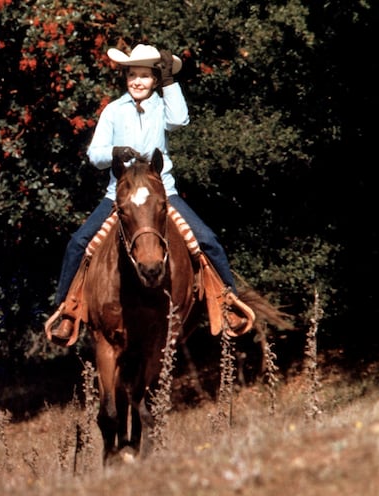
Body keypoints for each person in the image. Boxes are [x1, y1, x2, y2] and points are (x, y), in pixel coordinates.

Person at [48, 44, 252, 343]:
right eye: (132, 75)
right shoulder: (114, 110)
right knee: (79, 243)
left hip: (162, 193)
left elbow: (180, 120)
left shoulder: (162, 106)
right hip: (118, 195)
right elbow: (95, 154)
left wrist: (171, 83)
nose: (137, 82)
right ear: (126, 78)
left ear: (155, 80)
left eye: (144, 76)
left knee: (206, 240)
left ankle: (227, 302)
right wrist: (114, 152)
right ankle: (67, 309)